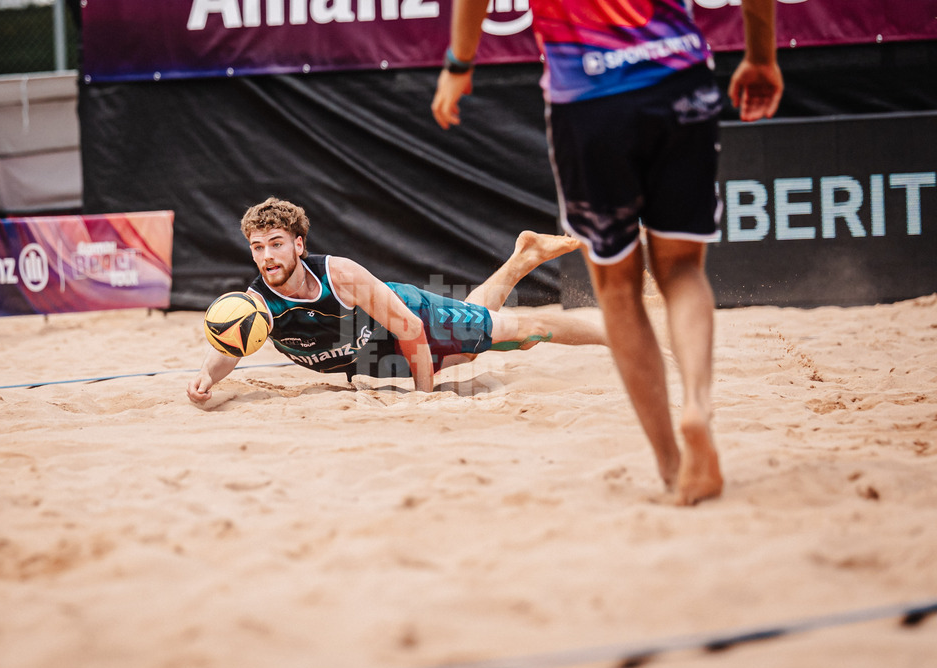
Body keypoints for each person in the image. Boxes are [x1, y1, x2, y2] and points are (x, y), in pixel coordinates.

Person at [431, 0, 783, 505]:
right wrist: (762, 56)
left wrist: (459, 64)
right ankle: (698, 409)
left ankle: (671, 466)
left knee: (618, 291)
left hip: (590, 96)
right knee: (682, 271)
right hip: (677, 75)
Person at [187, 197, 608, 402]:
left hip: (409, 315)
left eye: (275, 244)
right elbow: (230, 346)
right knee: (468, 355)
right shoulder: (254, 303)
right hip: (368, 352)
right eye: (257, 247)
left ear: (298, 244)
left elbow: (409, 328)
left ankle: (618, 339)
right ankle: (524, 257)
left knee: (523, 333)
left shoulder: (341, 275)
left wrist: (425, 398)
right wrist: (208, 378)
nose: (266, 256)